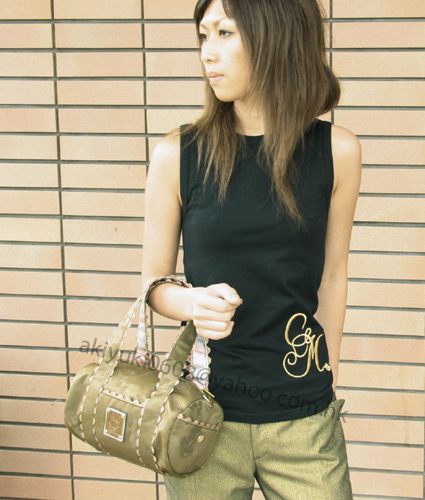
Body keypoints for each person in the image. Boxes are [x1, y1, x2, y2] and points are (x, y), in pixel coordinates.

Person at [141, 0, 361, 498]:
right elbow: (154, 284)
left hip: (303, 418)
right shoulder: (177, 154)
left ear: (275, 36)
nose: (207, 52)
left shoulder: (338, 151)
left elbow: (333, 276)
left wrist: (327, 378)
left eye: (224, 33)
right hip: (201, 414)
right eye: (204, 35)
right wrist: (191, 302)